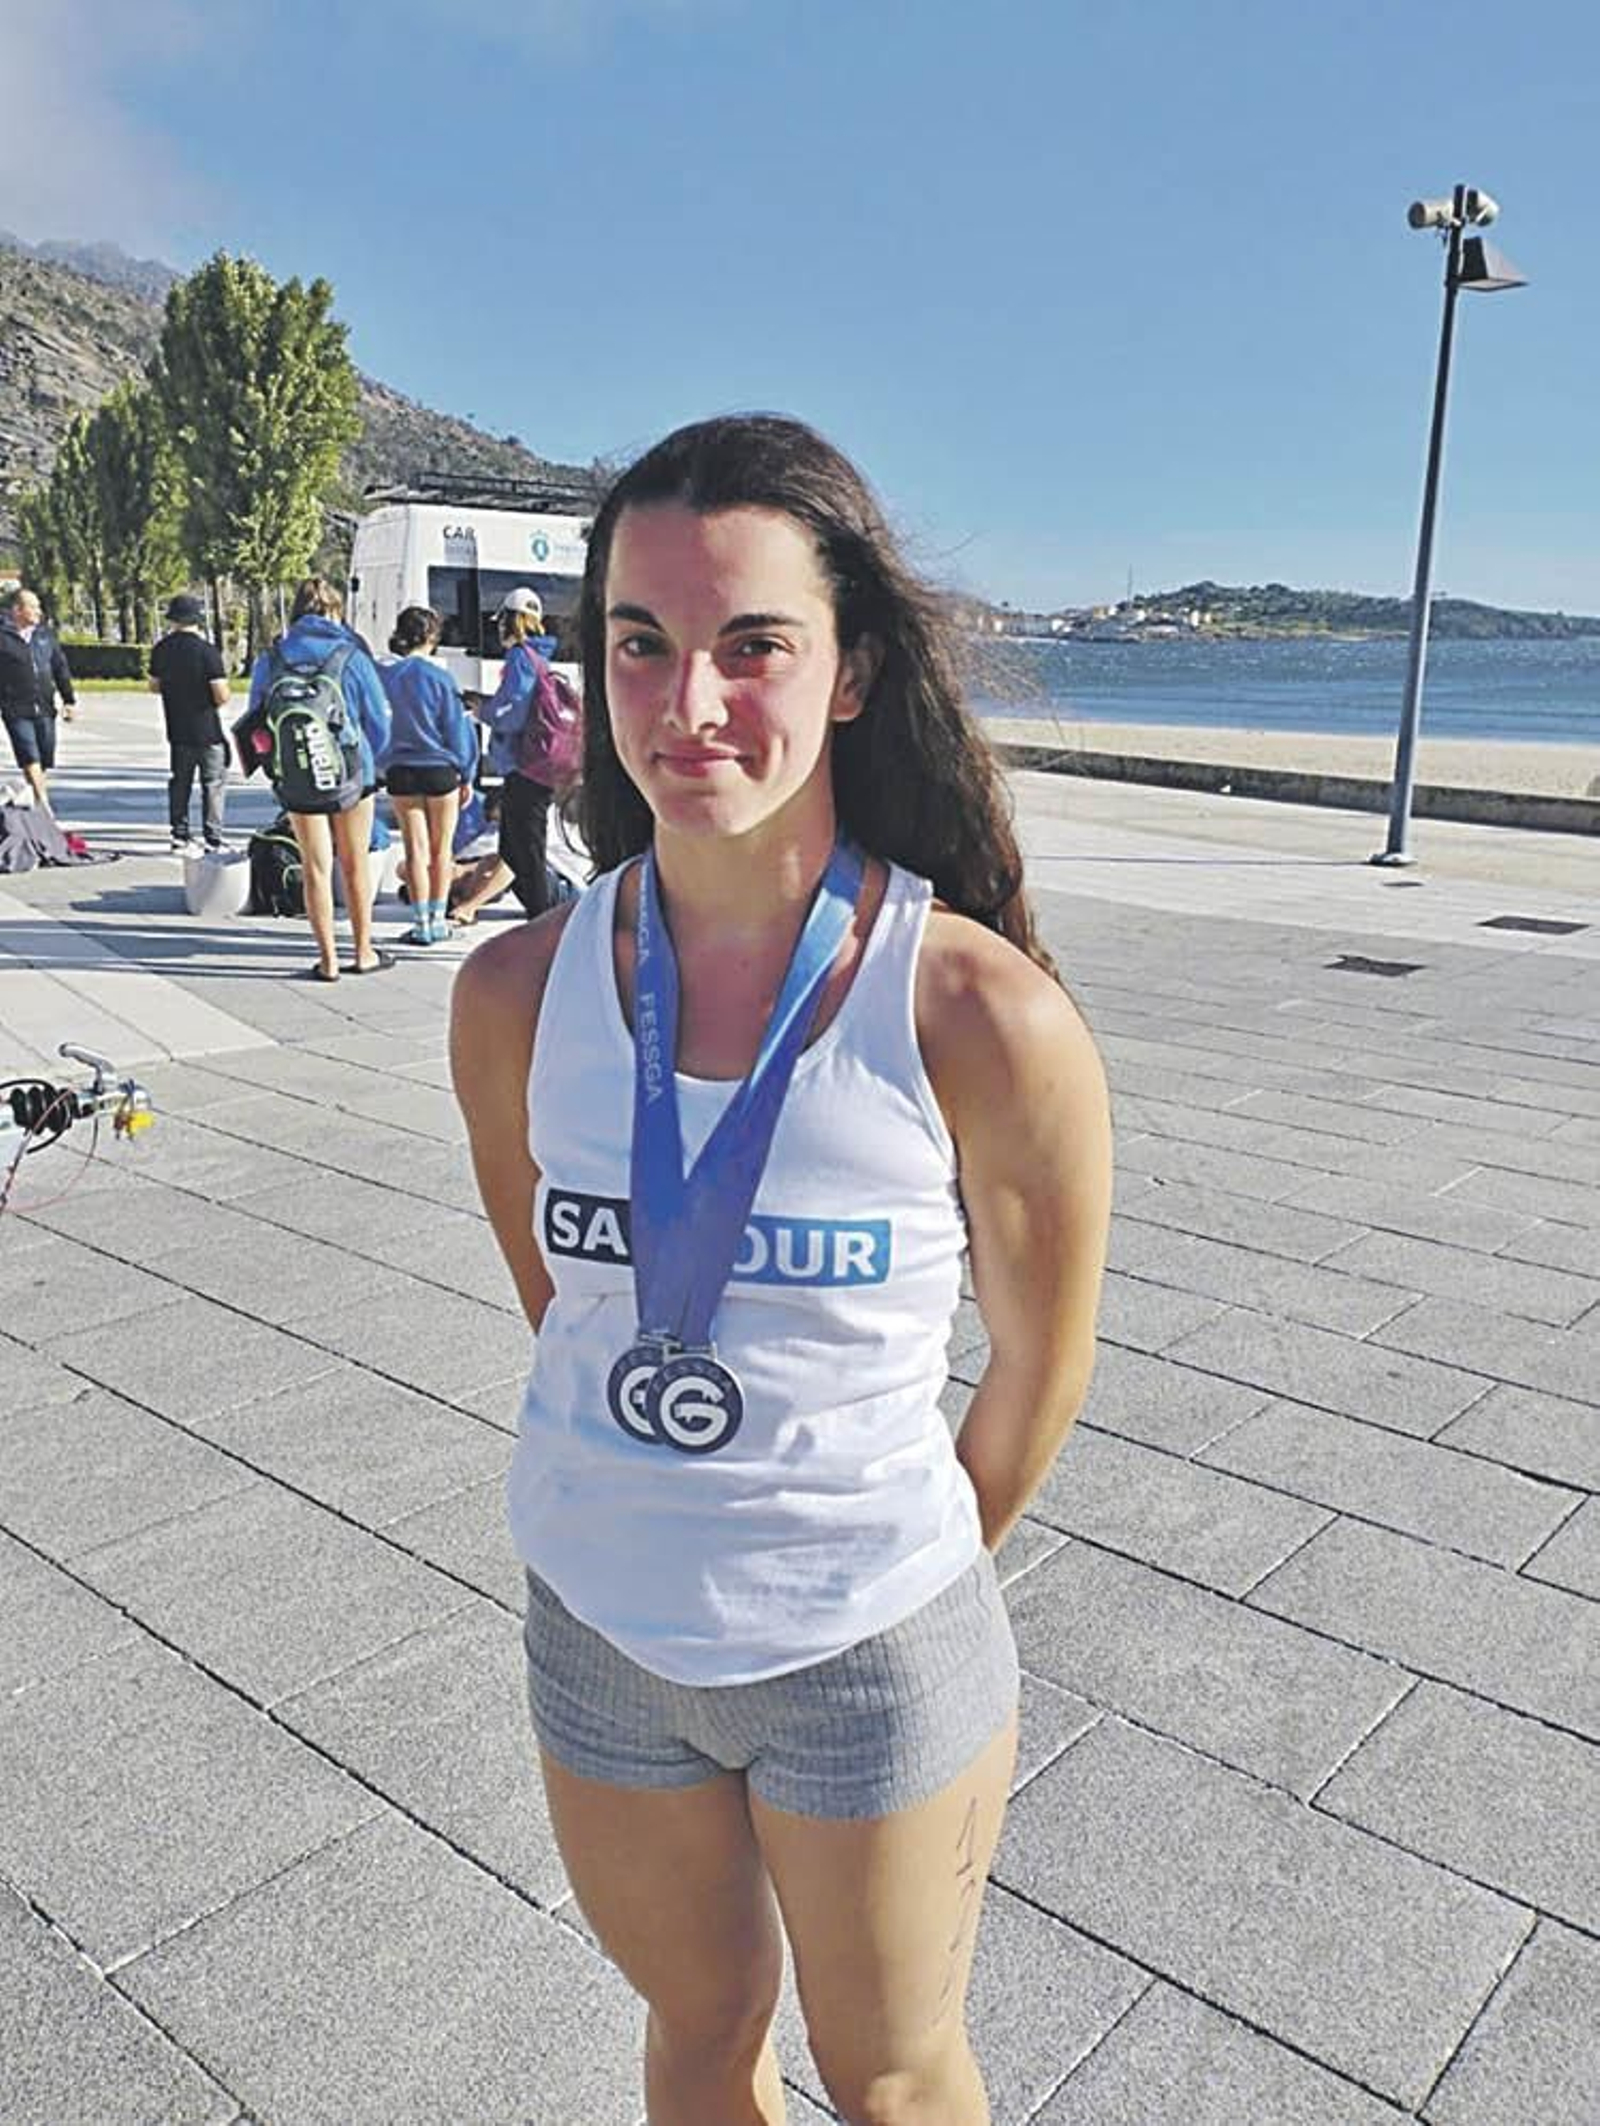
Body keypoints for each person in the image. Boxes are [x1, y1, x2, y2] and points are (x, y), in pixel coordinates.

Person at [450, 414, 1111, 2125]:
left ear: (853, 671)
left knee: (889, 2076)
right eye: (640, 643)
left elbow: (1038, 1369)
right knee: (696, 2031)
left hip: (868, 1648)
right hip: (599, 1627)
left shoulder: (978, 1015)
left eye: (753, 645)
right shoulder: (515, 995)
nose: (687, 705)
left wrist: (869, 1559)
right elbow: (569, 1302)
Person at [246, 577, 393, 981]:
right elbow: (379, 723)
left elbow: (257, 720)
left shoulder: (272, 658)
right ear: (335, 612)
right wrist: (366, 756)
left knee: (315, 866)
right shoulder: (351, 656)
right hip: (351, 774)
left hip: (297, 774)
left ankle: (327, 961)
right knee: (355, 863)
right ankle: (363, 952)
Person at [378, 604, 478, 944]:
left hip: (401, 771)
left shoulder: (388, 676)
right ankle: (438, 920)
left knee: (415, 851)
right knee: (441, 851)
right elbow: (457, 731)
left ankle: (420, 922)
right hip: (440, 770)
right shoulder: (441, 679)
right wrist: (467, 773)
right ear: (432, 637)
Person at [472, 585, 563, 917]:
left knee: (526, 848)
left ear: (511, 621)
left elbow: (511, 712)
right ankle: (541, 908)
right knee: (515, 847)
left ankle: (543, 915)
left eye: (501, 622)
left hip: (526, 766)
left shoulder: (520, 657)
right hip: (539, 763)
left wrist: (483, 710)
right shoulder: (540, 657)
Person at [148, 593, 230, 853]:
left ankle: (179, 834)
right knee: (213, 783)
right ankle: (213, 837)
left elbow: (154, 685)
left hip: (177, 727)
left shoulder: (161, 649)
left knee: (180, 782)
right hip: (207, 729)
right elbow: (221, 694)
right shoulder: (208, 652)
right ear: (197, 620)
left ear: (172, 619)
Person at [0, 586, 77, 810]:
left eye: (38, 607)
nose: (38, 612)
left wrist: (69, 700)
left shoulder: (45, 635)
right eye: (33, 607)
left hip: (44, 706)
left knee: (42, 758)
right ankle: (44, 806)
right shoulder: (3, 638)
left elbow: (60, 668)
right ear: (17, 610)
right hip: (15, 708)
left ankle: (31, 796)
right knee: (29, 755)